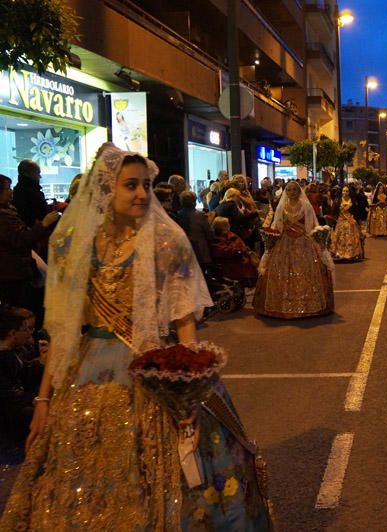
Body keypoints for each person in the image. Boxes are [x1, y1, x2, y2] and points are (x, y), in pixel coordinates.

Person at [1, 144, 272, 530]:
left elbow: (183, 323)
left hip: (154, 367)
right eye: (131, 185)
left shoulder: (167, 242)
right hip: (88, 374)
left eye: (146, 184)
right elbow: (63, 330)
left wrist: (188, 390)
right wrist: (44, 399)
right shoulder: (77, 246)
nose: (143, 194)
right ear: (106, 190)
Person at [252, 181, 334, 318]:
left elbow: (311, 224)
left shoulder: (305, 206)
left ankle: (306, 303)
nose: (291, 192)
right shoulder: (282, 206)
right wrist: (271, 237)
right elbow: (277, 224)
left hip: (303, 242)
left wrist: (316, 238)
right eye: (289, 190)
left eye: (294, 190)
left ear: (299, 191)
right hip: (284, 242)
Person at [0, 174, 60, 316]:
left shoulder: (9, 211)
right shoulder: (3, 217)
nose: (11, 192)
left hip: (14, 270)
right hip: (11, 272)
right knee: (18, 312)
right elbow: (21, 239)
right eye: (7, 189)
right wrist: (45, 223)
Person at [0, 306, 40, 445]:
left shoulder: (13, 351)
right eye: (25, 330)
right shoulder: (3, 357)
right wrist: (34, 399)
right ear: (12, 333)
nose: (29, 334)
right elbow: (7, 394)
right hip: (8, 413)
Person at [210, 216, 259, 285]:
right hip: (230, 261)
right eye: (228, 224)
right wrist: (240, 250)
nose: (230, 225)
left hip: (239, 256)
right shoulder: (217, 239)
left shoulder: (228, 234)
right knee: (247, 263)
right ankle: (248, 282)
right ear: (223, 226)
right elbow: (222, 251)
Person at [176, 190, 215, 270]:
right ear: (194, 201)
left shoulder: (177, 215)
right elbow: (209, 234)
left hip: (182, 252)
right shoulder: (201, 215)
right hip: (200, 252)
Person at [330, 185, 365, 261]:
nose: (345, 192)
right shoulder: (338, 200)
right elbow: (334, 211)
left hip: (350, 222)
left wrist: (358, 221)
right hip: (340, 222)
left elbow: (356, 212)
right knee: (340, 239)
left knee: (351, 239)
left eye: (346, 191)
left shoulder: (352, 201)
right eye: (344, 191)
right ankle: (340, 254)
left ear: (349, 192)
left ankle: (351, 254)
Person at [12, 160, 48, 228]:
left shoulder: (18, 190)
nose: (40, 177)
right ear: (28, 173)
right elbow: (41, 216)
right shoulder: (31, 193)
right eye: (38, 173)